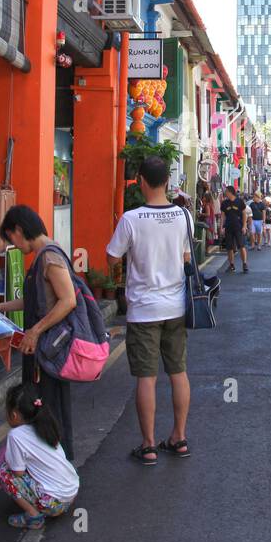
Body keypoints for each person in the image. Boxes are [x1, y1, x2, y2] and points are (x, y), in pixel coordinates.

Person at [0, 205, 79, 460]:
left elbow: (68, 300)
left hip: (50, 350)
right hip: (43, 349)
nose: (15, 246)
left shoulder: (50, 258)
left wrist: (35, 331)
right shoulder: (43, 256)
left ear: (18, 230)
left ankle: (55, 464)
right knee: (44, 405)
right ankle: (49, 461)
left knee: (49, 407)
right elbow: (33, 300)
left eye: (12, 239)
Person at [107, 156, 193, 466]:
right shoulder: (183, 216)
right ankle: (179, 437)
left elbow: (113, 257)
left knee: (147, 377)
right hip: (176, 306)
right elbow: (186, 258)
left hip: (144, 310)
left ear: (141, 180)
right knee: (178, 372)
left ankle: (148, 445)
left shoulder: (131, 219)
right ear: (167, 182)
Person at [0, 383, 79, 529]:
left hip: (55, 503)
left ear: (13, 414)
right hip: (71, 492)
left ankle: (34, 516)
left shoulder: (15, 435)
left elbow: (18, 472)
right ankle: (50, 504)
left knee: (3, 473)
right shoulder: (45, 425)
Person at [220, 186, 249, 273]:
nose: (225, 193)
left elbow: (244, 214)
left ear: (230, 192)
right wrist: (221, 227)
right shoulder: (225, 203)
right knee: (229, 247)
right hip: (228, 227)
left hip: (238, 227)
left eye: (226, 191)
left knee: (241, 246)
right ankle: (231, 265)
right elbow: (223, 216)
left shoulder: (240, 202)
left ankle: (244, 264)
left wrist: (244, 226)